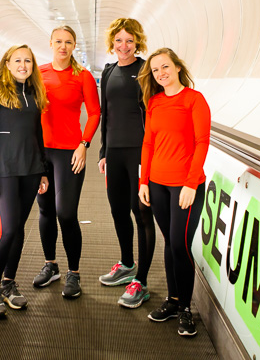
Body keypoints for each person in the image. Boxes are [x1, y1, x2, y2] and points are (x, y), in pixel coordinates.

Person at [136, 47, 211, 337]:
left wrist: (191, 184)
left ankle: (186, 309)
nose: (160, 73)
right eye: (155, 70)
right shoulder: (154, 102)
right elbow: (148, 143)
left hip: (184, 186)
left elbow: (202, 142)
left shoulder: (194, 100)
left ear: (177, 67)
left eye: (165, 67)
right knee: (169, 242)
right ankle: (173, 299)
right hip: (157, 184)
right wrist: (144, 181)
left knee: (180, 245)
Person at [0, 45, 50, 318]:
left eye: (28, 61)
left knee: (19, 228)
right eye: (18, 60)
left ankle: (9, 283)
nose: (23, 65)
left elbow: (37, 133)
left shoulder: (34, 93)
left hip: (30, 170)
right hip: (5, 171)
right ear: (7, 64)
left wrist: (43, 170)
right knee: (7, 231)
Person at [33, 25, 101, 298]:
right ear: (50, 43)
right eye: (58, 41)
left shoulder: (82, 76)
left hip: (69, 153)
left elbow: (94, 113)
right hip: (41, 153)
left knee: (66, 213)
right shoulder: (38, 73)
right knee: (45, 210)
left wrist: (84, 145)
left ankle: (74, 272)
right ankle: (51, 265)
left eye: (68, 42)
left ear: (74, 46)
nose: (63, 46)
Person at [96, 18, 156, 309]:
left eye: (129, 40)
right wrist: (103, 151)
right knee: (118, 210)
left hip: (139, 153)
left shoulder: (146, 70)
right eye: (119, 40)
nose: (124, 46)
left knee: (141, 212)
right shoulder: (108, 72)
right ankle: (127, 264)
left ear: (137, 42)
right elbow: (105, 114)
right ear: (112, 43)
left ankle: (141, 282)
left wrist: (150, 157)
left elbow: (153, 115)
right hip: (115, 152)